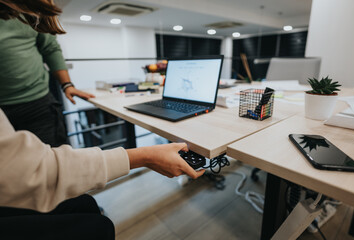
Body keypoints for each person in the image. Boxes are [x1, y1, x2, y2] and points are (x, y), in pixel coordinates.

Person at [0, 1, 205, 239]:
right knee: (98, 226)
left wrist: (67, 84)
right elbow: (35, 174)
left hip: (36, 101)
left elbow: (50, 47)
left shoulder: (26, 18)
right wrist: (145, 156)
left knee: (83, 204)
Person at [0, 0, 95, 147]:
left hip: (38, 104)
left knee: (54, 156)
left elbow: (50, 48)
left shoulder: (29, 14)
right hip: (3, 109)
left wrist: (67, 85)